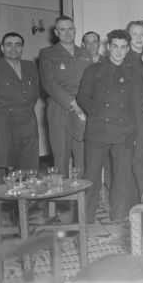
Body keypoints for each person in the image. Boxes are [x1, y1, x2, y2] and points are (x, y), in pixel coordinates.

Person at [77, 29, 143, 224]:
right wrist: (99, 113)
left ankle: (118, 215)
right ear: (108, 47)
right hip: (97, 130)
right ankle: (86, 217)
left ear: (128, 48)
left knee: (122, 176)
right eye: (115, 46)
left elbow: (138, 107)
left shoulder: (134, 74)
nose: (119, 52)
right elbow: (83, 98)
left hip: (124, 132)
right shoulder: (93, 70)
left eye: (123, 47)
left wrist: (137, 133)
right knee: (91, 176)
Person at [39, 16, 93, 177]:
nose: (67, 32)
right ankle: (61, 197)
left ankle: (82, 196)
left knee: (82, 153)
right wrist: (72, 103)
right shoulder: (47, 53)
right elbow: (49, 83)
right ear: (56, 32)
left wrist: (84, 105)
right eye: (62, 29)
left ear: (75, 30)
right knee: (61, 153)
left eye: (70, 28)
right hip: (59, 107)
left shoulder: (85, 54)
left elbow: (91, 82)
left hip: (83, 108)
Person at [0, 32, 40, 171]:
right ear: (2, 48)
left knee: (29, 162)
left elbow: (36, 91)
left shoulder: (30, 66)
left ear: (22, 48)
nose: (14, 48)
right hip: (3, 122)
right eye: (9, 45)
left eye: (18, 45)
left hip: (28, 121)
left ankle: (27, 192)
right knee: (4, 163)